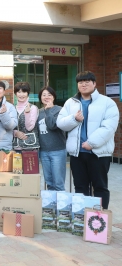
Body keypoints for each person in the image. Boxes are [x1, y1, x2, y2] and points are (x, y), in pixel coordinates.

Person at [57, 71, 119, 209]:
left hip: (98, 153)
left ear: (94, 84)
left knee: (100, 187)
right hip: (77, 154)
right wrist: (74, 119)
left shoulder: (107, 102)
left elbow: (109, 127)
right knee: (80, 186)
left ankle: (100, 219)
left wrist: (91, 143)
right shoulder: (70, 102)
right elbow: (60, 123)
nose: (83, 84)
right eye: (80, 82)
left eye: (87, 82)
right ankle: (82, 218)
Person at [37, 86, 66, 191]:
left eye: (49, 95)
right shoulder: (38, 112)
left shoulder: (60, 110)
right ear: (40, 98)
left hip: (57, 151)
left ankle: (60, 207)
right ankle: (52, 206)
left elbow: (52, 125)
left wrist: (48, 111)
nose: (46, 97)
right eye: (43, 95)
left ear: (53, 97)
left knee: (58, 183)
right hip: (44, 151)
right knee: (49, 182)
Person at [13, 81, 40, 150]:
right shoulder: (12, 108)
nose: (21, 95)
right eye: (19, 92)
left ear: (28, 93)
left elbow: (30, 127)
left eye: (24, 92)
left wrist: (27, 113)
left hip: (30, 147)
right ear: (15, 94)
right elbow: (9, 126)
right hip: (16, 147)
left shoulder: (33, 108)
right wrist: (15, 133)